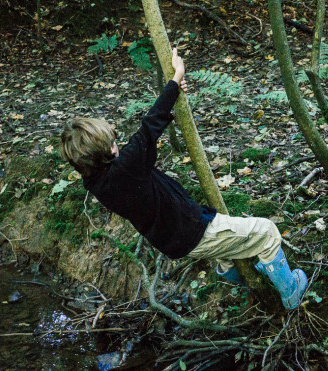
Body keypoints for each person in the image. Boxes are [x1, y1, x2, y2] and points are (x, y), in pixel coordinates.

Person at [60, 49, 308, 309]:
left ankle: (247, 285)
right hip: (194, 232)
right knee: (267, 232)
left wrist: (175, 88)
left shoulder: (96, 180)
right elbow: (150, 126)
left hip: (177, 236)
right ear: (106, 152)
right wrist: (176, 78)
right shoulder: (124, 170)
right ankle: (291, 294)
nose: (117, 146)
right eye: (112, 144)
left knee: (227, 250)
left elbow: (146, 132)